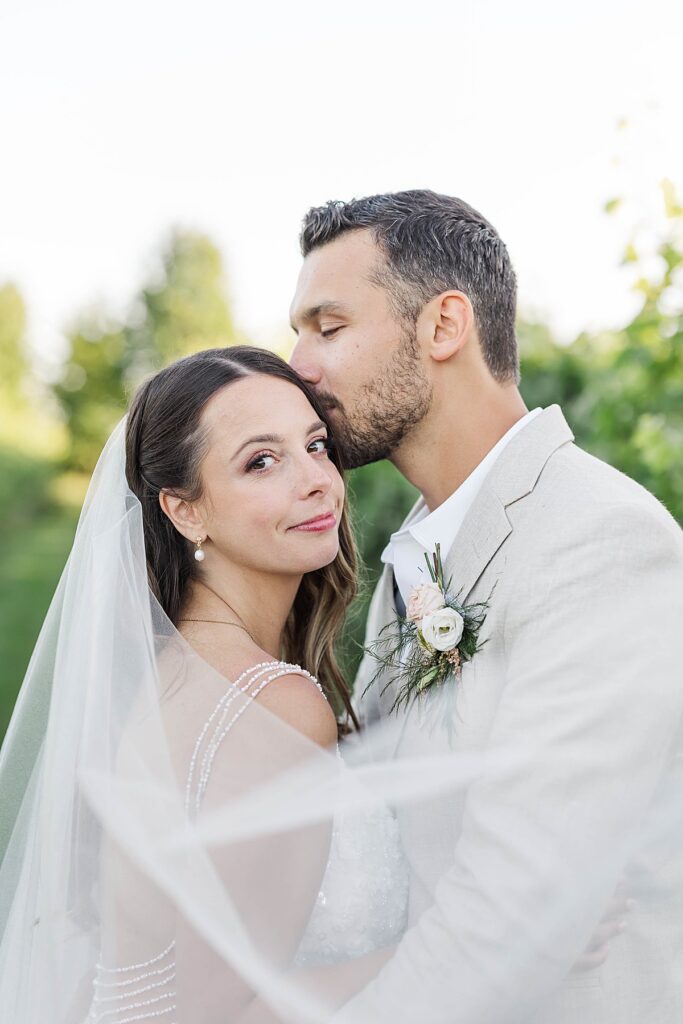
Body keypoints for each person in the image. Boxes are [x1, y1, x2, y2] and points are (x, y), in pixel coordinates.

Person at [289, 189, 683, 1023]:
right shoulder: (416, 557)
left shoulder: (596, 540)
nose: (299, 364)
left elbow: (509, 915)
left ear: (442, 326)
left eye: (327, 327)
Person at [0, 346, 409, 1024]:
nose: (315, 481)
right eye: (261, 461)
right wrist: (477, 934)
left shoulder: (174, 670)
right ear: (185, 511)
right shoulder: (270, 702)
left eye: (315, 446)